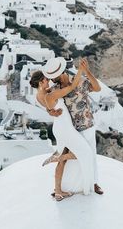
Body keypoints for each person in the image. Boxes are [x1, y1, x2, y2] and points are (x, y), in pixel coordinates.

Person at [30, 59, 95, 201]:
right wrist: (80, 70)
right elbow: (71, 88)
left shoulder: (40, 95)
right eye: (46, 80)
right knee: (84, 153)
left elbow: (49, 107)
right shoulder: (51, 94)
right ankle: (58, 157)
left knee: (65, 160)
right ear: (41, 83)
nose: (50, 81)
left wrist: (50, 111)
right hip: (65, 128)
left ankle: (58, 190)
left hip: (60, 127)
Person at [42, 57, 104, 195]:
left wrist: (87, 71)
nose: (52, 79)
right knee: (72, 159)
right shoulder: (55, 88)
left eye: (54, 76)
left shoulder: (80, 80)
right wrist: (49, 110)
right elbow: (50, 102)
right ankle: (65, 187)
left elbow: (97, 88)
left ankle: (93, 183)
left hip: (87, 124)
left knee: (91, 154)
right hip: (70, 130)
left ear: (61, 72)